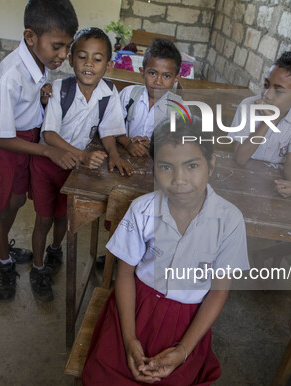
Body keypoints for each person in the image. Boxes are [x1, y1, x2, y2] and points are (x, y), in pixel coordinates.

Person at [83, 118, 249, 385]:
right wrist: (129, 339)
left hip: (186, 322)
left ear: (212, 163)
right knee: (106, 374)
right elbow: (124, 275)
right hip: (135, 307)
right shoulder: (142, 209)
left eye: (192, 165)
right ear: (154, 169)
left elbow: (219, 291)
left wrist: (183, 350)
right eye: (165, 167)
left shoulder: (229, 220)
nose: (179, 179)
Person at [0, 0, 77, 302]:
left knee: (16, 199)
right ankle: (3, 262)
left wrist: (42, 93)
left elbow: (29, 96)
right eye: (57, 46)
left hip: (24, 140)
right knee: (1, 203)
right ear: (30, 37)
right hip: (5, 144)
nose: (62, 55)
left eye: (67, 47)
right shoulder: (11, 76)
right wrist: (48, 150)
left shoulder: (38, 59)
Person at [29, 27, 132, 301]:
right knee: (44, 218)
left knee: (64, 215)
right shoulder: (59, 89)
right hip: (47, 164)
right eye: (82, 57)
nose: (89, 64)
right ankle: (37, 267)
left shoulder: (109, 92)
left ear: (108, 65)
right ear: (71, 59)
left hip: (72, 171)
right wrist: (82, 155)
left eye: (97, 59)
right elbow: (48, 134)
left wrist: (114, 154)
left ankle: (55, 249)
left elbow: (108, 131)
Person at [233, 51, 291, 198]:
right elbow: (240, 158)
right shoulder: (248, 105)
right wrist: (268, 121)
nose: (267, 94)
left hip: (272, 184)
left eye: (278, 91)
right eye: (266, 84)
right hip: (240, 179)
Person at [117, 37, 183, 157]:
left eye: (166, 76)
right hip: (124, 155)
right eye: (152, 73)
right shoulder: (129, 95)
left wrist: (154, 145)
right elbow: (110, 127)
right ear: (142, 72)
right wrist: (127, 142)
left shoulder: (178, 109)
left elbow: (180, 146)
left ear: (176, 79)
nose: (158, 81)